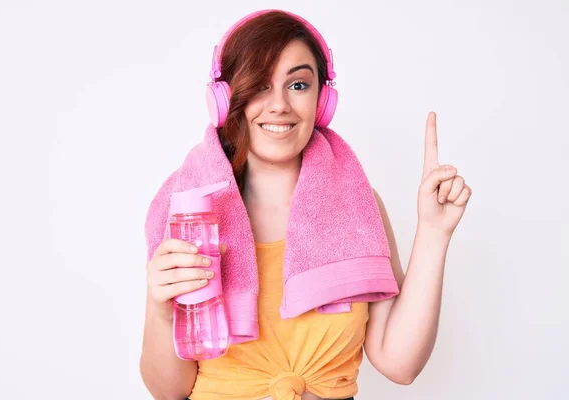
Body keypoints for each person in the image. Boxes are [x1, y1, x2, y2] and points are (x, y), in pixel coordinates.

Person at [140, 9, 472, 400]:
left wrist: (434, 233)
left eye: (298, 85)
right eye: (260, 85)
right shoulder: (190, 216)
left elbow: (399, 363)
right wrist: (162, 312)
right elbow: (169, 391)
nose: (279, 104)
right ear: (226, 98)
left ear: (323, 100)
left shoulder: (359, 206)